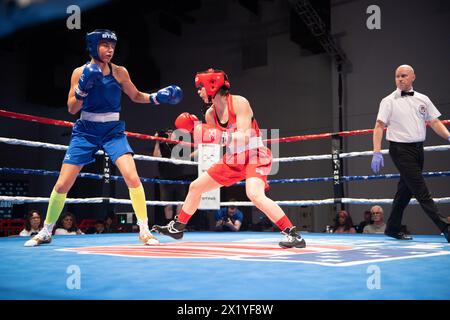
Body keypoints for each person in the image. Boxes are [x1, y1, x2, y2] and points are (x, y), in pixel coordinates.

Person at [24, 29, 183, 247]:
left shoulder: (119, 72)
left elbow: (136, 96)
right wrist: (82, 89)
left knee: (132, 177)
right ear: (92, 46)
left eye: (113, 47)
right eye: (105, 45)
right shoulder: (79, 72)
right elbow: (72, 108)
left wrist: (157, 98)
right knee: (62, 184)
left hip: (112, 131)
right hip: (85, 131)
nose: (110, 50)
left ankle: (144, 231)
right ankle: (46, 231)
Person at [152, 68, 306, 248]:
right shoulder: (210, 114)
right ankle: (177, 227)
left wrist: (218, 135)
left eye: (201, 87)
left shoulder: (239, 103)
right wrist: (194, 132)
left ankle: (293, 234)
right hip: (232, 158)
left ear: (212, 86)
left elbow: (245, 136)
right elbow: (214, 141)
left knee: (254, 194)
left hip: (254, 153)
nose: (198, 91)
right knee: (195, 187)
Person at [371, 64, 450, 242]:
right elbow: (379, 126)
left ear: (413, 77)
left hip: (417, 149)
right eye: (397, 76)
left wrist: (449, 136)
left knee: (405, 191)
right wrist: (377, 151)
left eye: (404, 76)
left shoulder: (423, 99)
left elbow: (435, 122)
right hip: (400, 150)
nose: (400, 79)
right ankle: (445, 227)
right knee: (421, 189)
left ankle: (392, 228)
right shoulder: (388, 100)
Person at [153, 128, 186, 224]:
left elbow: (184, 157)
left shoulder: (180, 145)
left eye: (172, 133)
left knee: (180, 202)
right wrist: (157, 141)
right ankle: (168, 225)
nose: (170, 135)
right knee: (167, 204)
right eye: (169, 133)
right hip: (165, 178)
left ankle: (178, 224)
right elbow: (156, 157)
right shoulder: (162, 145)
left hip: (179, 177)